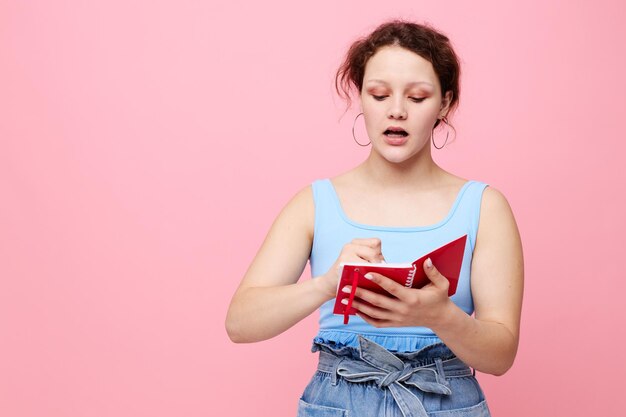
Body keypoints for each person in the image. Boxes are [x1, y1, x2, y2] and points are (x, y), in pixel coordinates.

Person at [225, 19, 523, 417]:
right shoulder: (314, 203)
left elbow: (500, 356)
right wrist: (327, 284)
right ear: (361, 97)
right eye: (379, 94)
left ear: (445, 103)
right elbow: (240, 323)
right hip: (337, 401)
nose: (396, 111)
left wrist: (438, 315)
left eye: (417, 98)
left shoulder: (484, 207)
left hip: (448, 402)